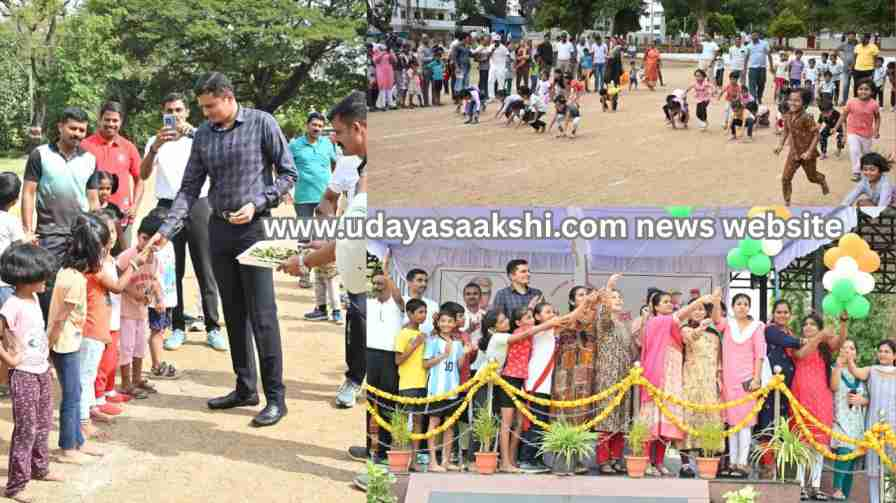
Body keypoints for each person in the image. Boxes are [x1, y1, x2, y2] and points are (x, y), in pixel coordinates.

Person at [149, 72, 297, 428]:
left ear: (228, 98)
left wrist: (259, 202)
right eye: (202, 108)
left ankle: (276, 398)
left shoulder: (262, 123)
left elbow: (288, 174)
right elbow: (189, 188)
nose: (206, 113)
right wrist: (166, 230)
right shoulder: (203, 135)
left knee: (262, 314)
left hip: (256, 229)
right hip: (219, 229)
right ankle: (245, 388)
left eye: (210, 106)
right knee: (233, 311)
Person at [140, 92, 222, 352]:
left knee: (205, 267)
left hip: (198, 204)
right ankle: (176, 327)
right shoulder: (156, 140)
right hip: (167, 206)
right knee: (170, 270)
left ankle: (213, 326)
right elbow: (143, 174)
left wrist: (194, 133)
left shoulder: (201, 136)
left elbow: (219, 160)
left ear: (186, 112)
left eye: (178, 110)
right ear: (163, 113)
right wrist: (155, 148)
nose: (174, 115)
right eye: (169, 111)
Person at [21, 107, 99, 323]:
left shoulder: (90, 159)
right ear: (60, 127)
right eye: (73, 128)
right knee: (47, 287)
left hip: (81, 235)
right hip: (49, 233)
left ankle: (70, 334)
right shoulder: (40, 155)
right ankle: (47, 334)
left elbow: (93, 200)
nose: (77, 134)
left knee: (79, 286)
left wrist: (98, 235)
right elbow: (28, 193)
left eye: (82, 130)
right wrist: (27, 231)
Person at [0, 243, 63, 501]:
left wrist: (47, 363)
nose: (46, 280)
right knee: (26, 428)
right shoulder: (12, 305)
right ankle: (16, 485)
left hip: (41, 371)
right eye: (42, 275)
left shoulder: (34, 298)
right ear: (26, 277)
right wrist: (9, 360)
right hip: (24, 374)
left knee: (44, 423)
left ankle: (39, 467)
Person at [48, 212, 108, 465]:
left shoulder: (69, 273)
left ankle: (78, 441)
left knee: (76, 391)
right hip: (64, 346)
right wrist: (47, 348)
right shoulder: (75, 281)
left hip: (68, 343)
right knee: (72, 396)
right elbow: (59, 320)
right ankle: (68, 448)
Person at [640, 290, 717, 477]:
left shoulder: (674, 324)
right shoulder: (656, 321)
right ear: (655, 307)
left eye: (670, 301)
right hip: (658, 373)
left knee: (666, 421)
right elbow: (681, 314)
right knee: (653, 420)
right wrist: (699, 301)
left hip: (673, 376)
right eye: (665, 302)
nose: (669, 304)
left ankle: (658, 462)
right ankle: (645, 462)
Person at [288, 112, 342, 322]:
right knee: (304, 236)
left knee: (323, 237)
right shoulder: (295, 146)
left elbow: (335, 164)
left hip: (325, 198)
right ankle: (304, 273)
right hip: (303, 196)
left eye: (320, 125)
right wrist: (287, 190)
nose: (317, 128)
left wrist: (334, 189)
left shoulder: (328, 144)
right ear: (307, 125)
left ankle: (324, 272)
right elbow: (284, 167)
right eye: (314, 125)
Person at [790, 312, 847, 501]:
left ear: (819, 327)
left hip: (822, 396)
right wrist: (820, 335)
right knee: (802, 440)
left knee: (820, 441)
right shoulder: (796, 343)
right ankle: (800, 485)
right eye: (805, 324)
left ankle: (815, 486)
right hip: (801, 394)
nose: (808, 327)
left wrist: (843, 322)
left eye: (813, 324)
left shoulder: (824, 346)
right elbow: (802, 354)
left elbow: (840, 342)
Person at [713, 294, 766, 479]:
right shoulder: (727, 324)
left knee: (745, 422)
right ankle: (733, 462)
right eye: (738, 304)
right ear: (733, 307)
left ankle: (742, 462)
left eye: (745, 304)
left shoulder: (757, 327)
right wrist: (716, 300)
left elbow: (760, 355)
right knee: (731, 422)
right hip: (729, 380)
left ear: (749, 307)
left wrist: (756, 378)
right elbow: (716, 319)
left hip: (747, 380)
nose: (742, 307)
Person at [81, 101, 144, 254]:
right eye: (107, 120)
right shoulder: (85, 146)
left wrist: (134, 206)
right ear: (100, 119)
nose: (111, 124)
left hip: (122, 218)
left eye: (115, 120)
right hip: (93, 217)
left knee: (122, 259)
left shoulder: (128, 147)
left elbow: (140, 180)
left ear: (121, 121)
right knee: (93, 259)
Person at [753, 300, 804, 479]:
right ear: (773, 314)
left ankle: (779, 468)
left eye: (785, 312)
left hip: (786, 390)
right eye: (779, 312)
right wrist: (805, 341)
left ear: (790, 315)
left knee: (782, 427)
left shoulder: (789, 333)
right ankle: (767, 467)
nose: (782, 315)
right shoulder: (770, 330)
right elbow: (784, 341)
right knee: (767, 426)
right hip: (770, 388)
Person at [592, 276, 635, 475]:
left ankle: (617, 458)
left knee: (621, 419)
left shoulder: (623, 325)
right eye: (613, 297)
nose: (617, 300)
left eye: (619, 297)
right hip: (607, 376)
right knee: (606, 419)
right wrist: (608, 287)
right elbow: (604, 312)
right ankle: (603, 460)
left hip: (623, 377)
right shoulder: (605, 322)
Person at [846, 340, 896, 503]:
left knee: (891, 466)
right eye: (880, 351)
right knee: (874, 467)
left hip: (893, 425)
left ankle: (888, 500)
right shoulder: (872, 370)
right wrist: (849, 358)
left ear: (894, 355)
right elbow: (855, 371)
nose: (883, 354)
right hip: (874, 424)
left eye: (887, 351)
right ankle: (875, 500)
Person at [366, 259, 404, 466]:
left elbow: (397, 295)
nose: (377, 286)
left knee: (387, 405)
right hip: (369, 356)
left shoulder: (397, 304)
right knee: (368, 403)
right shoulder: (368, 303)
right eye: (375, 283)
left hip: (389, 359)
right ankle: (366, 449)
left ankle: (383, 451)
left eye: (381, 283)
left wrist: (387, 272)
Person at [774, 88, 830, 206]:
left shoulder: (807, 117)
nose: (792, 103)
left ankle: (822, 180)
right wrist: (780, 145)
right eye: (791, 100)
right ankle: (787, 201)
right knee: (785, 178)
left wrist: (809, 152)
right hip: (794, 153)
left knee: (812, 177)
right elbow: (785, 131)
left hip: (807, 155)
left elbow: (816, 135)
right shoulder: (787, 115)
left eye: (797, 100)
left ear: (804, 103)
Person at [830, 339, 867, 501]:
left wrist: (862, 400)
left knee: (851, 458)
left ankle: (844, 495)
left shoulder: (862, 373)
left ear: (856, 353)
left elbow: (869, 398)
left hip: (856, 420)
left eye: (851, 348)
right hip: (839, 417)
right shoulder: (834, 368)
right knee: (844, 450)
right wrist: (838, 367)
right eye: (844, 348)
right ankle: (837, 489)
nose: (847, 351)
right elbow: (834, 387)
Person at [835, 79, 881, 183]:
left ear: (872, 91)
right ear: (856, 90)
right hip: (853, 132)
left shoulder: (874, 104)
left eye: (866, 89)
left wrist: (876, 130)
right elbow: (843, 115)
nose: (863, 91)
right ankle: (856, 172)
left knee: (866, 154)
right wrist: (835, 127)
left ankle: (867, 170)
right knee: (854, 151)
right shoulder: (851, 102)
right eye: (860, 89)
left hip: (867, 134)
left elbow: (877, 118)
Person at [0, 173, 29, 309]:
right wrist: (27, 239)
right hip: (4, 283)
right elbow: (18, 249)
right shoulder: (12, 221)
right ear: (15, 200)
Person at [745, 31, 774, 104]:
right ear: (751, 37)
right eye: (753, 36)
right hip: (752, 68)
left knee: (762, 83)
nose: (754, 37)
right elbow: (746, 58)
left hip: (762, 68)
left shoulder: (764, 43)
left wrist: (771, 66)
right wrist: (744, 68)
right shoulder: (748, 46)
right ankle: (754, 99)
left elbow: (769, 55)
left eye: (755, 35)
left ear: (758, 36)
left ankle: (759, 97)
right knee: (752, 84)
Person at [835, 32, 858, 104]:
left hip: (856, 68)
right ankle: (844, 101)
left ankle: (857, 101)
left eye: (852, 36)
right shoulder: (844, 44)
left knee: (856, 85)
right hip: (846, 68)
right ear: (847, 37)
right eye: (849, 36)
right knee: (845, 85)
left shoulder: (858, 45)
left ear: (855, 37)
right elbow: (836, 50)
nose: (851, 38)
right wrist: (842, 58)